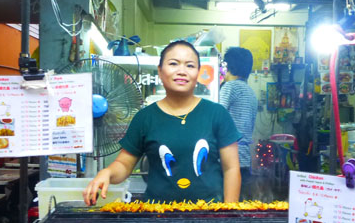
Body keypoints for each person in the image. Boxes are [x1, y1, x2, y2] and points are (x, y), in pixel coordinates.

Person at [83, 40, 241, 205]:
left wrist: (228, 212)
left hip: (209, 214)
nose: (182, 71)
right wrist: (107, 173)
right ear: (160, 71)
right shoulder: (145, 118)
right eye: (173, 64)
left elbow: (231, 168)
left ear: (198, 73)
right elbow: (123, 164)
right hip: (158, 214)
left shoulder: (217, 114)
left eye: (190, 65)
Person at [219, 47, 258, 200]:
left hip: (229, 159)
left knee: (225, 205)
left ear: (228, 66)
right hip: (244, 158)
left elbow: (216, 116)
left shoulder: (230, 87)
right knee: (240, 203)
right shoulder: (250, 92)